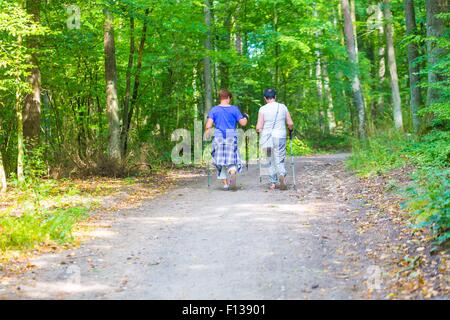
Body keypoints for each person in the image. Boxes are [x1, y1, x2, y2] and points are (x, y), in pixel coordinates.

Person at [205, 89, 248, 191]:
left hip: (218, 137)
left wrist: (207, 133)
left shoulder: (214, 110)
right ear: (228, 98)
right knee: (231, 159)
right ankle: (232, 172)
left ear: (220, 98)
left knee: (220, 161)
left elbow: (208, 125)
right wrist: (245, 116)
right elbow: (243, 123)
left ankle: (225, 184)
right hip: (230, 136)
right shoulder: (234, 109)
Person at [256, 88, 294, 190]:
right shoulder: (282, 107)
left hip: (266, 137)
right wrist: (290, 131)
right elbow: (290, 123)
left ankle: (273, 182)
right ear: (275, 97)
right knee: (279, 158)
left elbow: (258, 127)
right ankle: (281, 174)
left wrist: (260, 132)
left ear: (265, 98)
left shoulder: (262, 109)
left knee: (269, 160)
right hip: (280, 136)